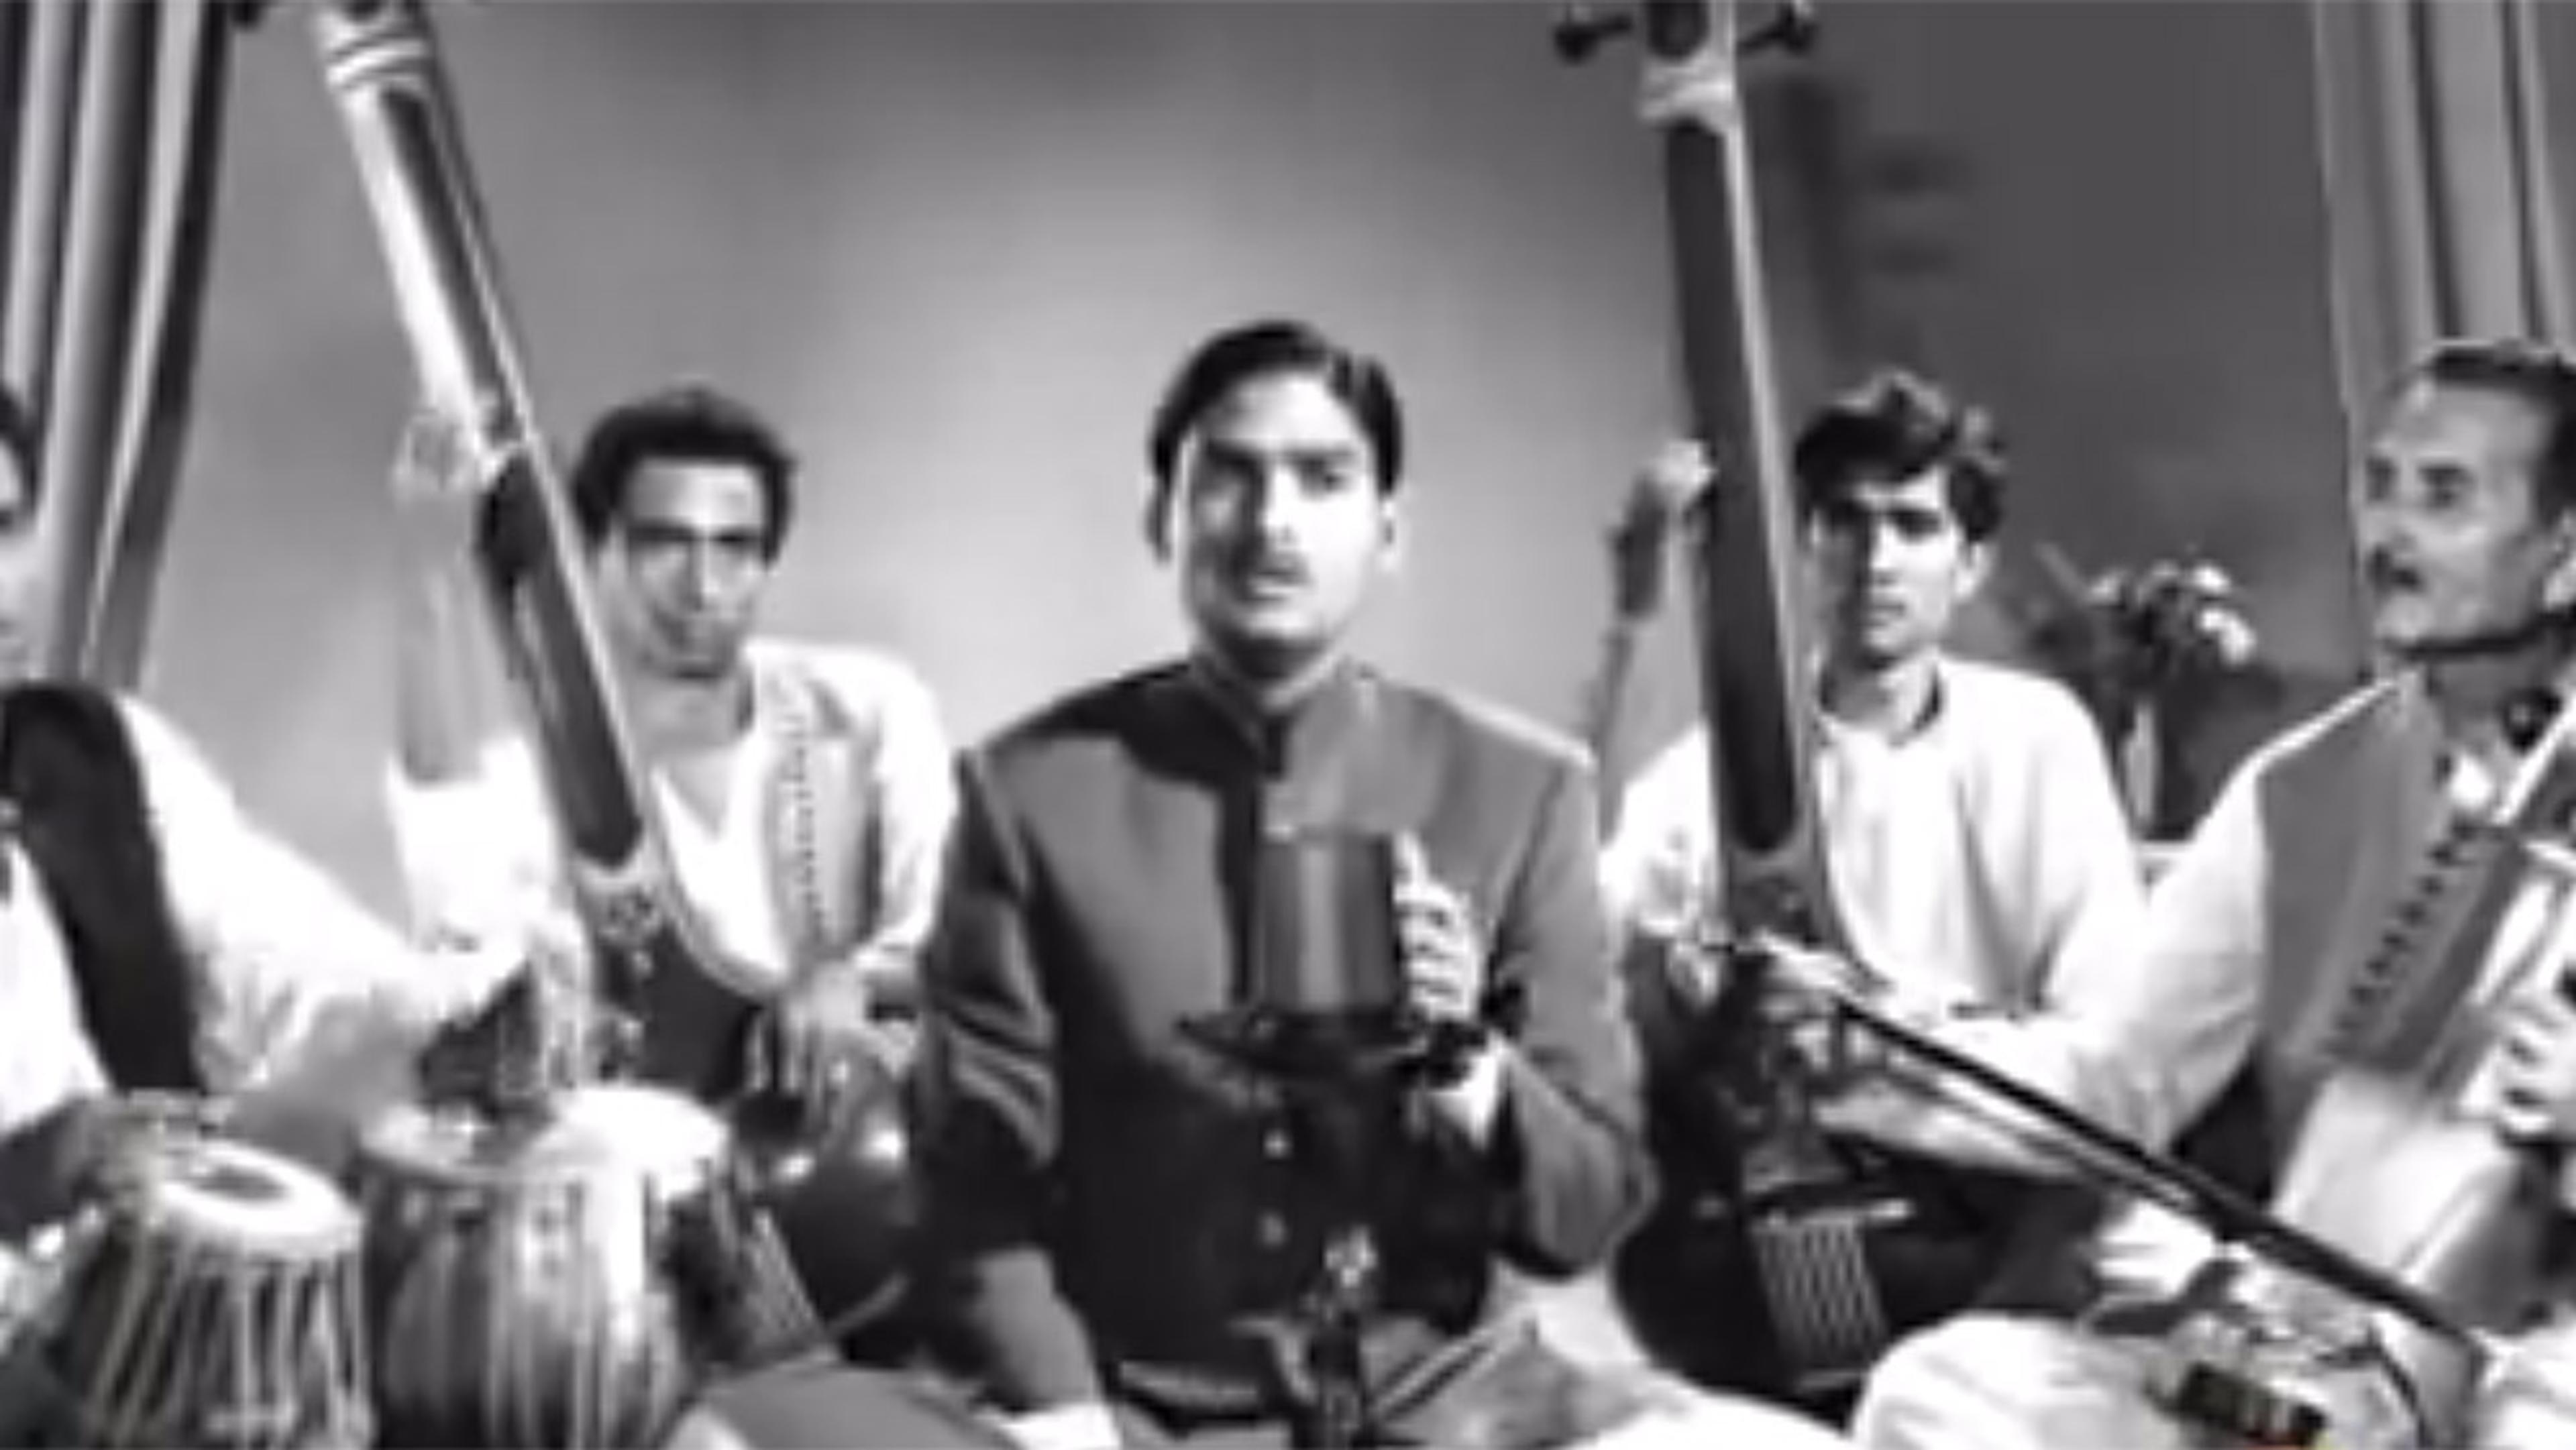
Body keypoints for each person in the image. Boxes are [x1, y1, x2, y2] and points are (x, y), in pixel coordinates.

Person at [908, 317, 1851, 1449]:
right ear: (1164, 515)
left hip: (1469, 1410)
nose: (1273, 521)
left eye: (1323, 479)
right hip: (1151, 1412)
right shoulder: (1030, 797)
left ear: (1388, 530)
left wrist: (1468, 1064)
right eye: (1231, 476)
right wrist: (1068, 1422)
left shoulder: (1519, 788)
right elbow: (971, 1196)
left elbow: (1592, 1211)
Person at [1848, 337, 2576, 1448]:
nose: (2389, 533)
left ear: (2565, 553)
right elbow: (2120, 1079)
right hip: (2317, 1352)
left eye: (2445, 496)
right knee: (1939, 1388)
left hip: (2538, 1353)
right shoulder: (2296, 793)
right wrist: (1874, 1050)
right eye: (2379, 487)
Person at [1589, 370, 2148, 1406]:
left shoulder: (2037, 739)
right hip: (1750, 1252)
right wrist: (1635, 612)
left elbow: (2108, 1052)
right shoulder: (1723, 760)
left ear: (1970, 562)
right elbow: (1590, 935)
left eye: (1912, 525)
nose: (1875, 560)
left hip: (1980, 1224)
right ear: (1803, 548)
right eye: (1842, 521)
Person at [384, 382, 957, 1103]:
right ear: (595, 551)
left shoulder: (868, 708)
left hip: (846, 1154)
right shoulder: (544, 774)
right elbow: (457, 925)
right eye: (666, 544)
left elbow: (953, 932)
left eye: (735, 548)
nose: (705, 587)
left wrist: (852, 979)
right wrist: (426, 584)